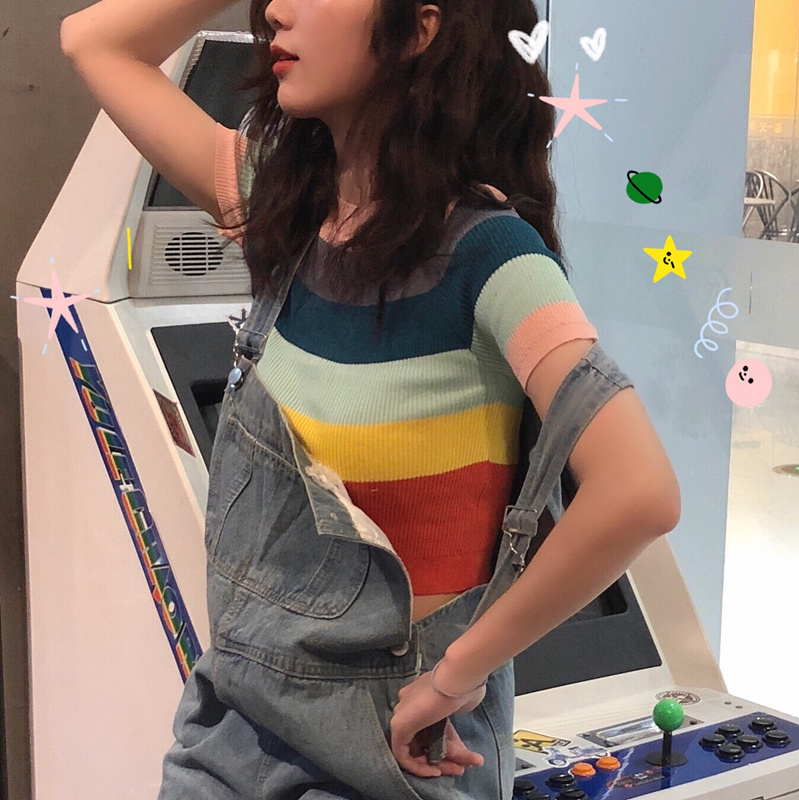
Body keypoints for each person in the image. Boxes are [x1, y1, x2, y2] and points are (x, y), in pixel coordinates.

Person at [61, 0, 682, 797]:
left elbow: (637, 490)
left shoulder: (492, 257)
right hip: (227, 737)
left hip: (394, 754)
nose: (275, 10)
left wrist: (458, 673)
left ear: (421, 28)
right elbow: (93, 41)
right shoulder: (285, 210)